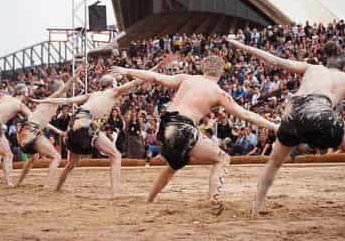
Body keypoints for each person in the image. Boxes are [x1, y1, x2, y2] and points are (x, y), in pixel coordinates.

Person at [109, 55, 277, 215]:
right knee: (223, 158)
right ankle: (213, 198)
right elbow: (246, 115)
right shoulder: (219, 93)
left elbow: (155, 77)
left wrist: (127, 70)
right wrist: (273, 125)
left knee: (174, 165)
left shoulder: (187, 78)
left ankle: (150, 199)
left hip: (165, 126)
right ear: (220, 72)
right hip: (183, 127)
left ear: (203, 68)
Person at [228, 39, 345, 217]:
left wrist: (241, 45)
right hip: (318, 112)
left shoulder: (312, 68)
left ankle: (255, 207)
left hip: (291, 116)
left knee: (273, 162)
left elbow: (275, 60)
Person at [31, 58, 172, 198]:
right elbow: (138, 81)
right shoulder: (114, 91)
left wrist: (43, 100)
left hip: (73, 124)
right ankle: (115, 194)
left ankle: (57, 188)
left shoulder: (92, 94)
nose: (117, 83)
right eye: (115, 81)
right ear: (112, 84)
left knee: (71, 164)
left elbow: (66, 101)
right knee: (115, 155)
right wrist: (157, 67)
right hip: (85, 123)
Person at [15, 67, 82, 188]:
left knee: (33, 158)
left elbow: (44, 123)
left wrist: (58, 131)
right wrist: (76, 75)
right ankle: (46, 185)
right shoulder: (52, 99)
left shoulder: (49, 104)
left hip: (26, 131)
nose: (65, 94)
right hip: (31, 130)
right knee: (56, 157)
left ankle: (19, 182)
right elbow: (65, 87)